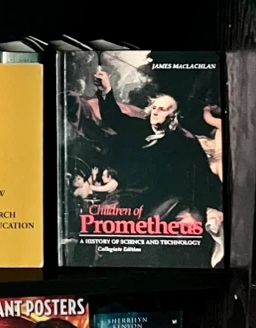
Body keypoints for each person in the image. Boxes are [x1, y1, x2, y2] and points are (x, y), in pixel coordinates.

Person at [93, 67, 224, 247]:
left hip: (165, 197)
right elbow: (113, 118)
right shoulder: (141, 127)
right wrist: (106, 90)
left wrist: (204, 209)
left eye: (161, 109)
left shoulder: (185, 141)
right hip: (134, 193)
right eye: (154, 108)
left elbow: (200, 177)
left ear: (173, 116)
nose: (155, 112)